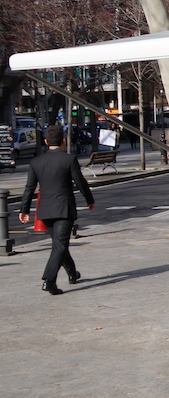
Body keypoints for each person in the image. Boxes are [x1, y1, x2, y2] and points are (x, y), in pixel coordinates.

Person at [18, 125, 95, 295]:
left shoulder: (36, 162)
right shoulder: (69, 159)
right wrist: (89, 200)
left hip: (44, 210)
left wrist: (24, 209)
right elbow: (80, 182)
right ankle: (49, 280)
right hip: (64, 208)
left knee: (59, 244)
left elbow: (29, 188)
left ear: (46, 142)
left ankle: (72, 273)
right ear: (63, 141)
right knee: (60, 245)